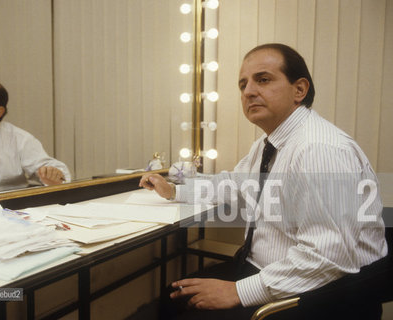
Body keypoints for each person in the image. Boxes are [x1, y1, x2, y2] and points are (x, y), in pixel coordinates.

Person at [140, 43, 387, 319]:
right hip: (267, 269)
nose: (248, 92)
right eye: (243, 84)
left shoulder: (319, 148)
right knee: (172, 296)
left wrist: (237, 292)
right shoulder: (268, 143)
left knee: (180, 307)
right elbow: (232, 184)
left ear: (299, 90)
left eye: (263, 79)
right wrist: (174, 189)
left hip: (320, 293)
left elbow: (328, 257)